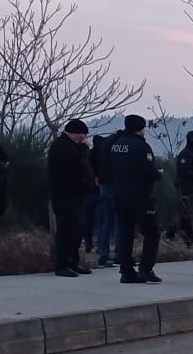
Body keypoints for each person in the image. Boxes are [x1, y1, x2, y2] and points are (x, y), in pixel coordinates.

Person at [108, 114, 163, 283]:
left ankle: (126, 271)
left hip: (119, 194)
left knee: (125, 233)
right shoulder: (141, 146)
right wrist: (158, 174)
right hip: (140, 196)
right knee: (152, 233)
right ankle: (146, 269)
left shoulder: (116, 145)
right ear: (140, 128)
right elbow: (147, 171)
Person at [46, 119, 96, 277]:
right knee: (66, 230)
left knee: (77, 230)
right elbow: (76, 162)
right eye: (83, 135)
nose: (85, 138)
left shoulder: (72, 146)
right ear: (76, 133)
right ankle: (62, 264)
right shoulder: (61, 146)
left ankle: (73, 262)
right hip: (65, 195)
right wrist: (83, 147)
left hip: (78, 195)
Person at [90, 129, 118, 268]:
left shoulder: (100, 149)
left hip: (102, 185)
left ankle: (103, 252)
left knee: (106, 220)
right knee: (119, 220)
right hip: (114, 186)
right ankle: (118, 253)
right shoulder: (117, 147)